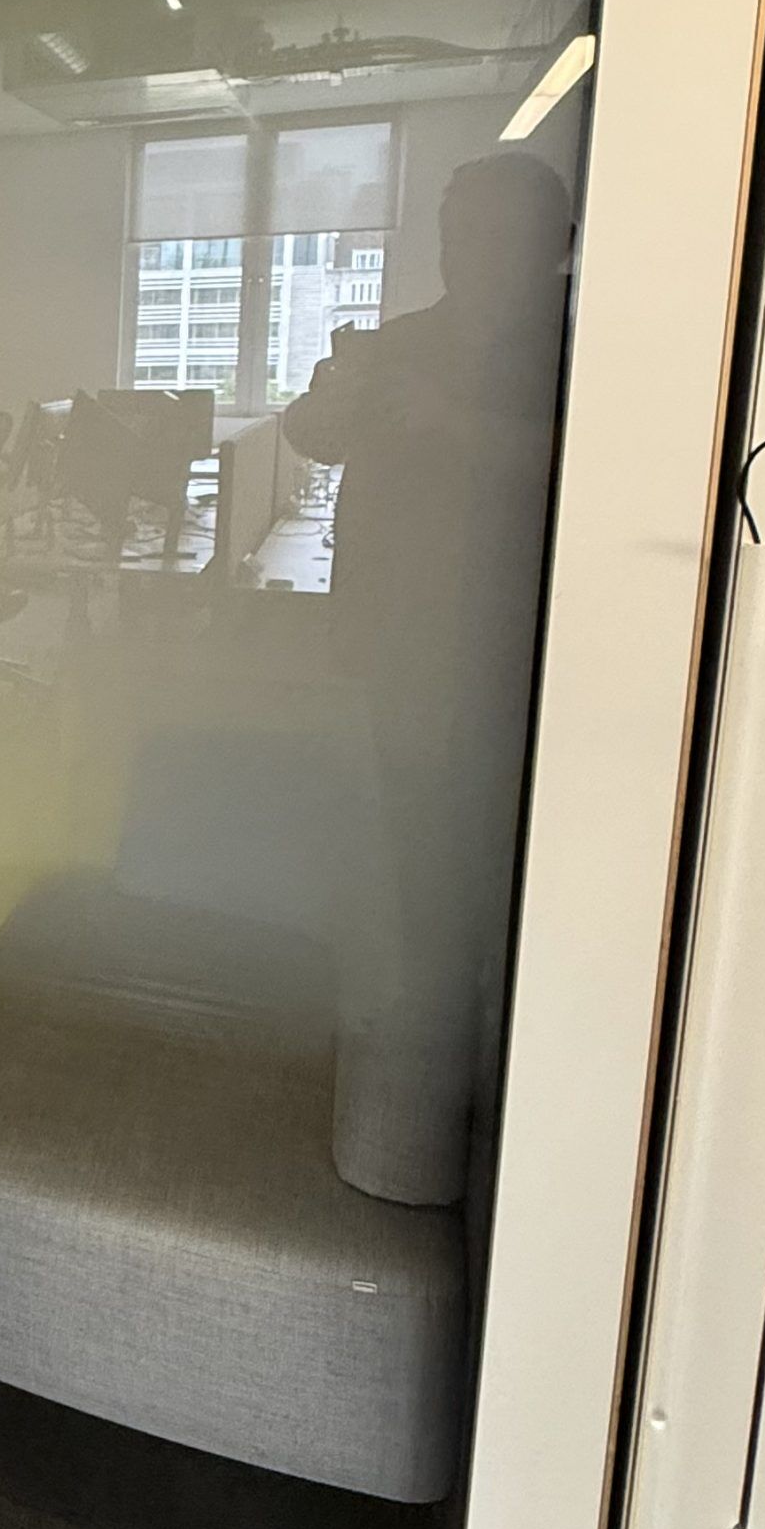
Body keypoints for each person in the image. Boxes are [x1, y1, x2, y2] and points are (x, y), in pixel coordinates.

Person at [281, 151, 575, 1202]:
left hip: (525, 646)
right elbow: (308, 437)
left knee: (512, 859)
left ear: (551, 247)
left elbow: (603, 464)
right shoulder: (405, 339)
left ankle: (514, 1066)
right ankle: (432, 1048)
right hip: (401, 637)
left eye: (494, 235)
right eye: (456, 235)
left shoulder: (582, 341)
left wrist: (453, 425)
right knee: (415, 843)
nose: (469, 255)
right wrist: (335, 392)